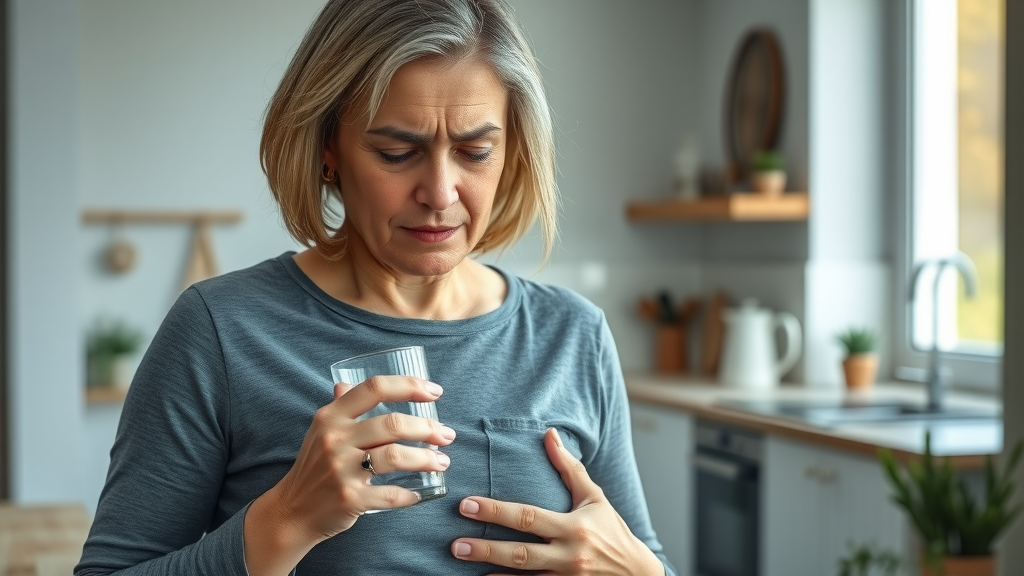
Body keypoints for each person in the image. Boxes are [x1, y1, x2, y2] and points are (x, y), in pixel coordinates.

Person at [76, 1, 676, 575]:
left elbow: (638, 553)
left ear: (512, 150)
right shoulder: (219, 331)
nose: (440, 193)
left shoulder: (574, 334)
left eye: (475, 151)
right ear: (328, 146)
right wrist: (285, 518)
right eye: (395, 153)